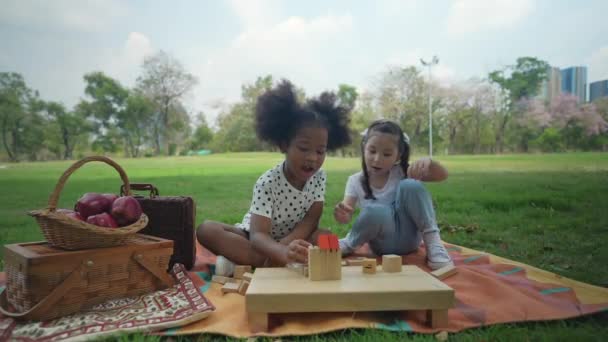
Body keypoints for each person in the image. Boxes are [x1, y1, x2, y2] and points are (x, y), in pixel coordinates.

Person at [197, 80, 352, 276]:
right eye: (304, 148)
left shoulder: (319, 177)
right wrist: (280, 252)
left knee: (325, 236)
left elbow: (310, 220)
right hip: (255, 238)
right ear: (283, 145)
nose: (313, 158)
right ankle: (272, 262)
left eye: (320, 151)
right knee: (206, 229)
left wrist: (288, 248)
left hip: (293, 237)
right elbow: (258, 235)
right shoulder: (267, 182)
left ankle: (245, 264)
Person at [333, 119, 453, 270]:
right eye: (372, 151)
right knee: (374, 211)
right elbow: (346, 213)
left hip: (410, 240)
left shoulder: (404, 172)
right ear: (364, 148)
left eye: (387, 154)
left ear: (398, 156)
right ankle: (350, 243)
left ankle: (434, 243)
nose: (377, 159)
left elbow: (442, 176)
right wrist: (342, 214)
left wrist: (430, 163)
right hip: (381, 244)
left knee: (411, 185)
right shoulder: (355, 181)